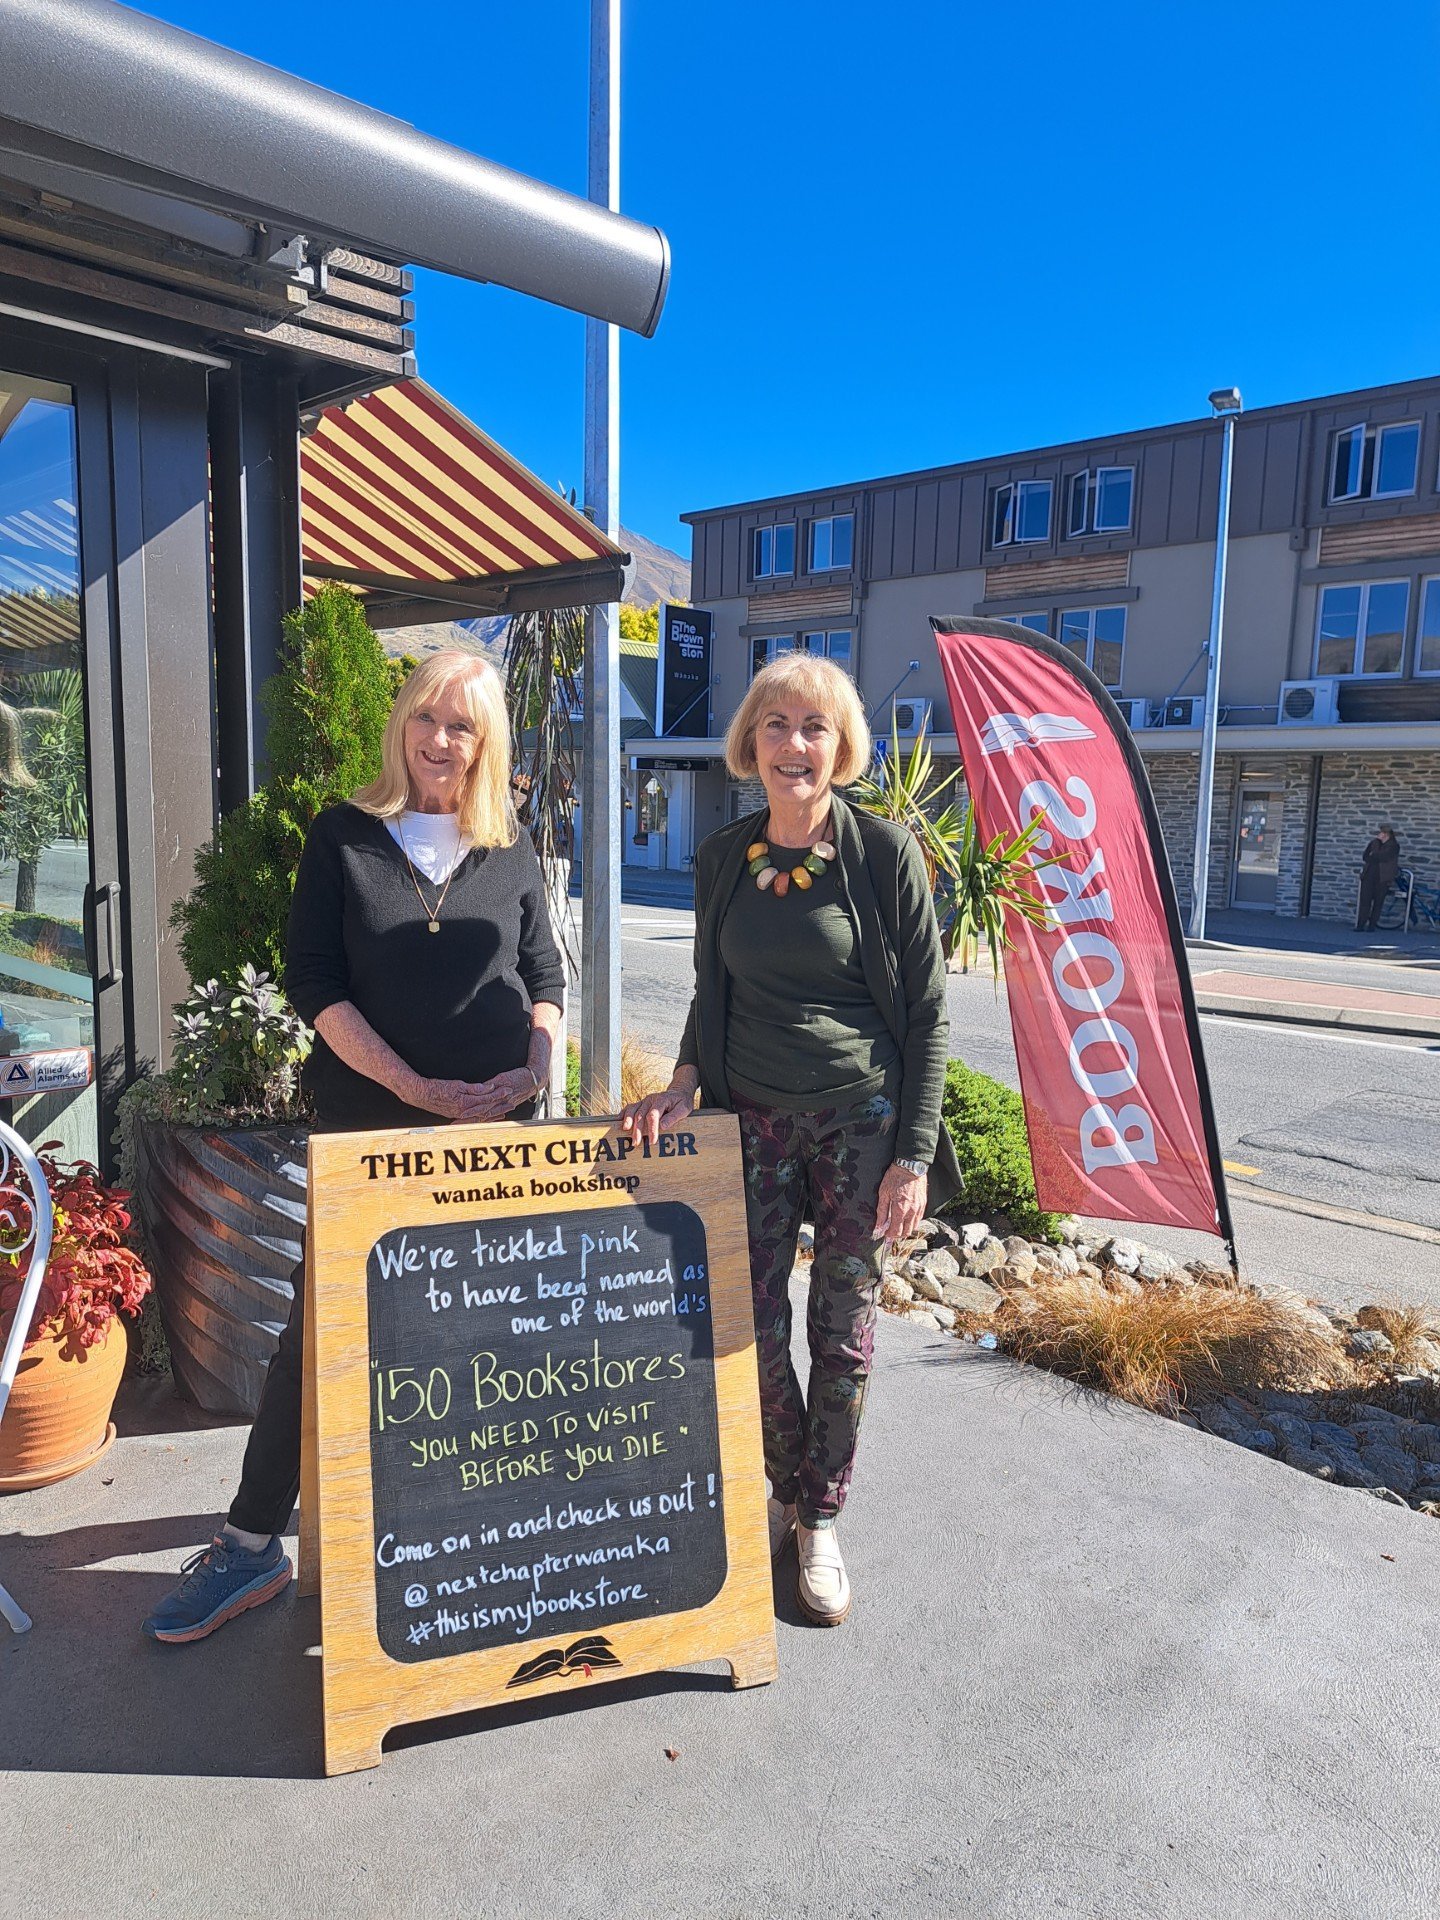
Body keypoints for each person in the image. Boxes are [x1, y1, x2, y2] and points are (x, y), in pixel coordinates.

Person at [143, 652, 565, 1644]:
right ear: (400, 724)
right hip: (369, 1131)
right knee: (320, 1339)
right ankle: (250, 1547)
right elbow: (314, 980)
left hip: (491, 1141)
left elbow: (546, 972)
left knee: (480, 1341)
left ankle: (467, 1548)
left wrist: (536, 1068)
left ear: (487, 740)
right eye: (425, 716)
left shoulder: (512, 849)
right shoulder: (344, 836)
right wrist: (411, 1086)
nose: (439, 740)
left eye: (461, 725)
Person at [621, 655, 961, 1628]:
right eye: (776, 724)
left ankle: (820, 1519)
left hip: (859, 1125)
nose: (794, 744)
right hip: (752, 1126)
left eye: (814, 727)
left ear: (840, 744)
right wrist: (684, 1080)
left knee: (843, 1333)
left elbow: (930, 1014)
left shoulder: (884, 853)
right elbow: (710, 996)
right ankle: (781, 1483)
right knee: (751, 1323)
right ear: (751, 743)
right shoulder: (724, 856)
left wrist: (914, 1153)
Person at [1357, 823, 1401, 932]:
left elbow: (1383, 857)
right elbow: (1366, 856)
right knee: (1365, 901)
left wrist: (1374, 854)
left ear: (1386, 835)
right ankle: (1360, 924)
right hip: (1369, 875)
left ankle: (1372, 925)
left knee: (1378, 902)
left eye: (1381, 833)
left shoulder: (1393, 846)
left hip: (1382, 878)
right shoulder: (1373, 843)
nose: (1379, 834)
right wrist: (1373, 853)